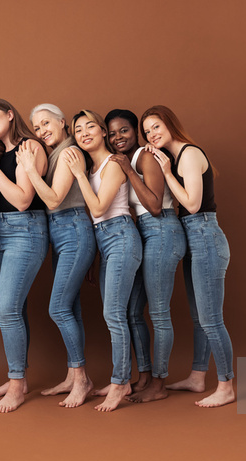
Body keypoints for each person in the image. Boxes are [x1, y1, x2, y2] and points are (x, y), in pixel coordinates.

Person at [141, 105, 235, 407]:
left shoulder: (190, 154)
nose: (152, 134)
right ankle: (197, 376)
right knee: (199, 317)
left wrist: (166, 172)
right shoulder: (172, 156)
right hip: (194, 238)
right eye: (147, 131)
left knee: (211, 319)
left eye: (156, 126)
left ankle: (226, 385)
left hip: (205, 235)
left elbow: (193, 205)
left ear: (170, 124)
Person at [0, 98, 49, 413]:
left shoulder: (29, 147)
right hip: (0, 232)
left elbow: (22, 199)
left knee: (7, 307)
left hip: (26, 230)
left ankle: (16, 384)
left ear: (9, 114)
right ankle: (19, 377)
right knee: (16, 307)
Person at [15, 104, 96, 408]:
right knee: (70, 308)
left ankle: (82, 378)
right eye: (36, 127)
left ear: (63, 122)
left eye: (46, 123)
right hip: (62, 233)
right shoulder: (55, 153)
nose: (41, 130)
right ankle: (73, 377)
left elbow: (52, 199)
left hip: (72, 229)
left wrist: (30, 170)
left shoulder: (67, 152)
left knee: (58, 308)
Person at [103, 109, 186, 403]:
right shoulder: (126, 159)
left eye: (123, 130)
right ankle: (145, 377)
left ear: (135, 131)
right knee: (132, 312)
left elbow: (153, 205)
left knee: (159, 313)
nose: (117, 138)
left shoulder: (144, 157)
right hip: (144, 235)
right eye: (112, 133)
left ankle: (159, 384)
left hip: (163, 230)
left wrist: (127, 169)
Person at [64, 110, 142, 412]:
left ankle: (121, 381)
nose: (84, 133)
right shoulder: (95, 167)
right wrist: (96, 257)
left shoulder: (113, 164)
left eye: (90, 127)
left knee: (114, 315)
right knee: (115, 315)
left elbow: (98, 209)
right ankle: (120, 378)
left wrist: (79, 175)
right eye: (78, 129)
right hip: (106, 241)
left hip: (121, 236)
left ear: (102, 132)